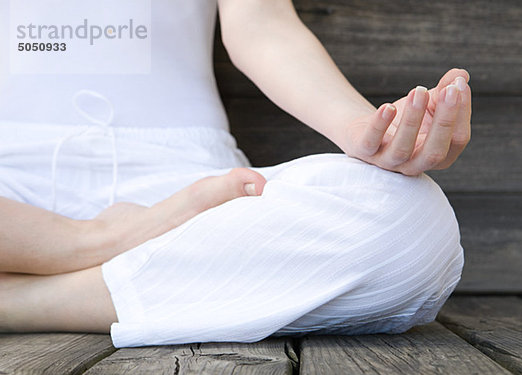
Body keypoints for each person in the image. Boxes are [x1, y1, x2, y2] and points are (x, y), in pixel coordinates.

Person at [0, 0, 471, 347]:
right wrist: (93, 239)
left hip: (181, 183)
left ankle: (19, 301)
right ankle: (88, 244)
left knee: (411, 220)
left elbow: (262, 26)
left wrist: (367, 131)